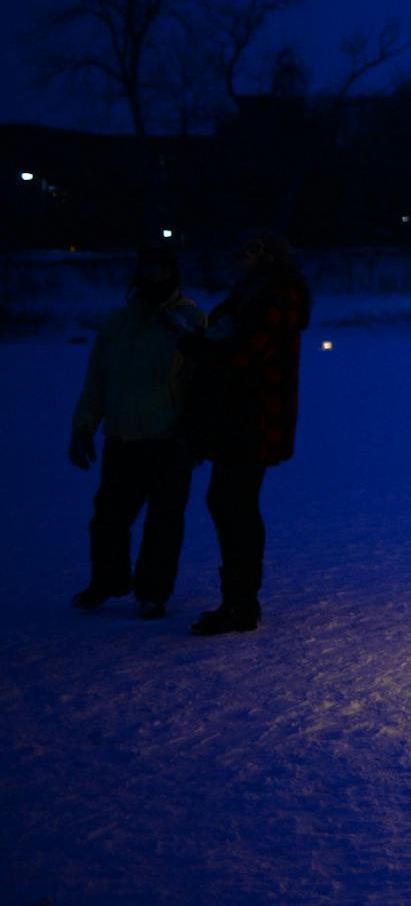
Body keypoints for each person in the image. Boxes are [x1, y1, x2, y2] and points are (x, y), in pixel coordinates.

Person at [178, 230, 312, 637]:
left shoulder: (277, 296)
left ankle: (240, 602)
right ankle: (238, 599)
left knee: (232, 501)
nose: (239, 259)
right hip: (241, 415)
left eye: (247, 252)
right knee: (229, 501)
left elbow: (250, 353)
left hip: (255, 418)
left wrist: (202, 350)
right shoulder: (255, 292)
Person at [68, 241, 207, 620]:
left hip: (168, 440)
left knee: (163, 522)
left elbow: (204, 382)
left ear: (172, 274)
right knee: (108, 518)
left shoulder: (190, 321)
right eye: (147, 269)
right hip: (123, 438)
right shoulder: (119, 323)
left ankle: (153, 592)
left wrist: (193, 434)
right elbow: (97, 379)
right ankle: (108, 581)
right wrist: (84, 427)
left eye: (161, 270)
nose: (153, 277)